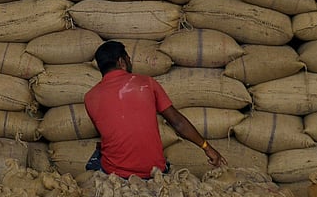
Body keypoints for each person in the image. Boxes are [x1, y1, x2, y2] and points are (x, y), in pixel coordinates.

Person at [83, 40, 228, 178]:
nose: (130, 62)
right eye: (128, 59)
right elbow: (177, 122)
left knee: (97, 157)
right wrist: (207, 148)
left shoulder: (89, 98)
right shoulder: (146, 83)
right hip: (153, 172)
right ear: (121, 62)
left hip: (115, 174)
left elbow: (107, 131)